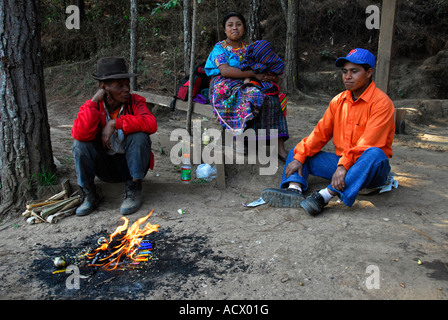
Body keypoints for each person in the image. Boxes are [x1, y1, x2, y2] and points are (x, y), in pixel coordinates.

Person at [261, 48, 395, 216]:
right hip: (342, 164)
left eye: (354, 71)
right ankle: (294, 189)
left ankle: (324, 196)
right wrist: (300, 157)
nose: (347, 76)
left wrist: (343, 167)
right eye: (344, 71)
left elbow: (368, 143)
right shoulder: (338, 101)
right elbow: (319, 134)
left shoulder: (382, 103)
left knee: (375, 153)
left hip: (370, 170)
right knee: (299, 150)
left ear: (369, 73)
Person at [71, 57, 157, 216]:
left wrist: (115, 123)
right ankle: (89, 194)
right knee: (80, 144)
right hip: (104, 168)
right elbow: (80, 133)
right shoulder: (93, 105)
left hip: (129, 168)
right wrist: (93, 102)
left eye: (127, 85)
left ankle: (134, 190)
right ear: (104, 87)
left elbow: (150, 123)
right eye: (119, 86)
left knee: (140, 136)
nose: (126, 90)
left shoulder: (135, 102)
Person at [204, 12, 289, 160]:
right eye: (230, 25)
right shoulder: (220, 48)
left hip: (248, 80)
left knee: (272, 97)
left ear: (244, 28)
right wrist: (254, 75)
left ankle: (279, 147)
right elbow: (225, 70)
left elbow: (262, 66)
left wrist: (266, 76)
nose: (234, 28)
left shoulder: (250, 48)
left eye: (238, 24)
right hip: (223, 83)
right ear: (225, 30)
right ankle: (239, 137)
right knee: (250, 94)